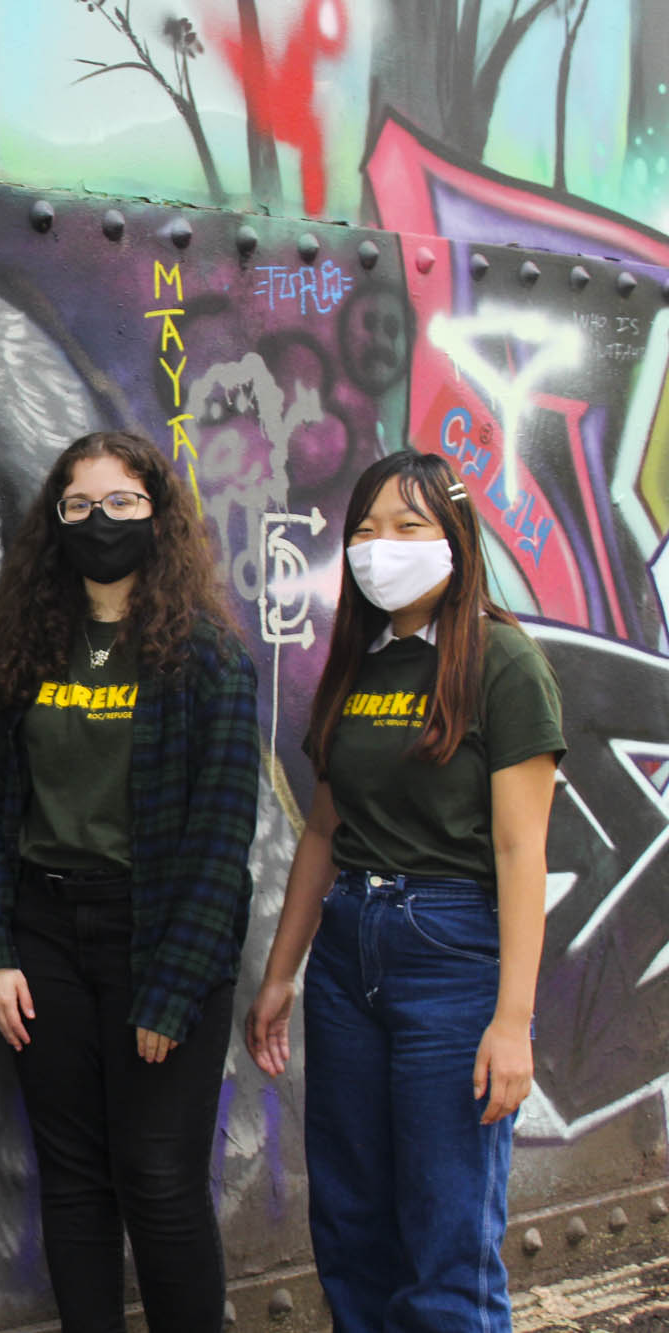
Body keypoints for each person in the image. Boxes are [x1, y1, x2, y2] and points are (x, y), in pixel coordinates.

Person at [244, 451, 562, 1330]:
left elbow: (520, 850)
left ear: (456, 539)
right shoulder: (356, 665)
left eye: (409, 527)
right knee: (349, 1224)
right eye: (366, 530)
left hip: (452, 955)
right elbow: (321, 830)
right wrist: (281, 973)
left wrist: (511, 1020)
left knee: (446, 1236)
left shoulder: (502, 663)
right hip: (349, 951)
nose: (382, 548)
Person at [0, 429, 260, 1332]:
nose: (100, 521)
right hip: (43, 941)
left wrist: (172, 991)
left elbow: (220, 842)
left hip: (158, 941)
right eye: (80, 505)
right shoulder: (26, 652)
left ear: (158, 516)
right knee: (77, 1184)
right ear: (55, 523)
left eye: (122, 502)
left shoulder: (206, 661)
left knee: (160, 1182)